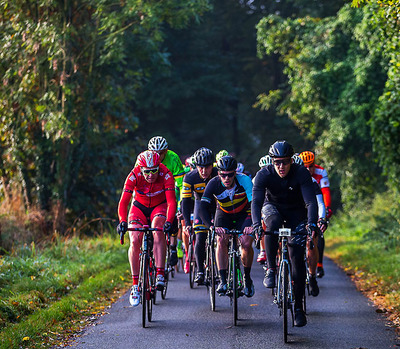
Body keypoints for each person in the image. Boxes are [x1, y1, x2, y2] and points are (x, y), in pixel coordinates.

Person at [252, 140, 318, 327]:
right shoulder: (263, 174)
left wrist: (312, 223)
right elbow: (256, 202)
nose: (281, 166)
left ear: (292, 161)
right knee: (271, 224)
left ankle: (298, 308)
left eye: (285, 162)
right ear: (272, 162)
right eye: (277, 162)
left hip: (297, 212)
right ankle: (271, 269)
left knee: (297, 259)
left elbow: (310, 202)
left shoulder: (301, 173)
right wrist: (257, 224)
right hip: (273, 207)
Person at [117, 150, 177, 306]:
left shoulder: (166, 174)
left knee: (158, 229)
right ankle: (135, 285)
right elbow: (124, 202)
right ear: (140, 168)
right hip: (139, 207)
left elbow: (171, 202)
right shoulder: (133, 175)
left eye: (154, 170)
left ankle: (159, 273)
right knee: (135, 239)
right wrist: (123, 221)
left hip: (159, 206)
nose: (151, 175)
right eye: (147, 171)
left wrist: (169, 221)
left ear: (159, 167)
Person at [200, 155, 255, 297]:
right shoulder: (213, 183)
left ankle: (247, 278)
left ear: (235, 173)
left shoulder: (245, 181)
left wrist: (254, 224)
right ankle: (223, 280)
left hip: (244, 214)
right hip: (223, 214)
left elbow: (254, 204)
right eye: (223, 175)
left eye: (230, 175)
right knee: (221, 240)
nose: (227, 179)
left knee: (246, 242)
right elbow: (203, 208)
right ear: (219, 174)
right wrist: (211, 226)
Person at [181, 147, 218, 284]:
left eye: (207, 167)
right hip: (199, 204)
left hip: (216, 204)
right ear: (195, 166)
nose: (203, 171)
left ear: (212, 165)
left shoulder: (218, 173)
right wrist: (187, 223)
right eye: (200, 167)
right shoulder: (190, 177)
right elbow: (185, 201)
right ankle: (200, 270)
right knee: (200, 236)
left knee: (222, 235)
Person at [148, 136, 185, 267]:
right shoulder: (144, 158)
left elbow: (181, 185)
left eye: (161, 153)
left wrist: (181, 205)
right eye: (154, 153)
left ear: (166, 151)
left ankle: (173, 247)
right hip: (153, 191)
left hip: (170, 190)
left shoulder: (173, 158)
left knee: (173, 212)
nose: (158, 156)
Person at [299, 150, 332, 278]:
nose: (308, 169)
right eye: (305, 166)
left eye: (310, 166)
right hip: (303, 205)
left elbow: (325, 192)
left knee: (319, 234)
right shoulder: (297, 174)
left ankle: (319, 264)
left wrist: (327, 209)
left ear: (315, 164)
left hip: (318, 203)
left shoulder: (321, 172)